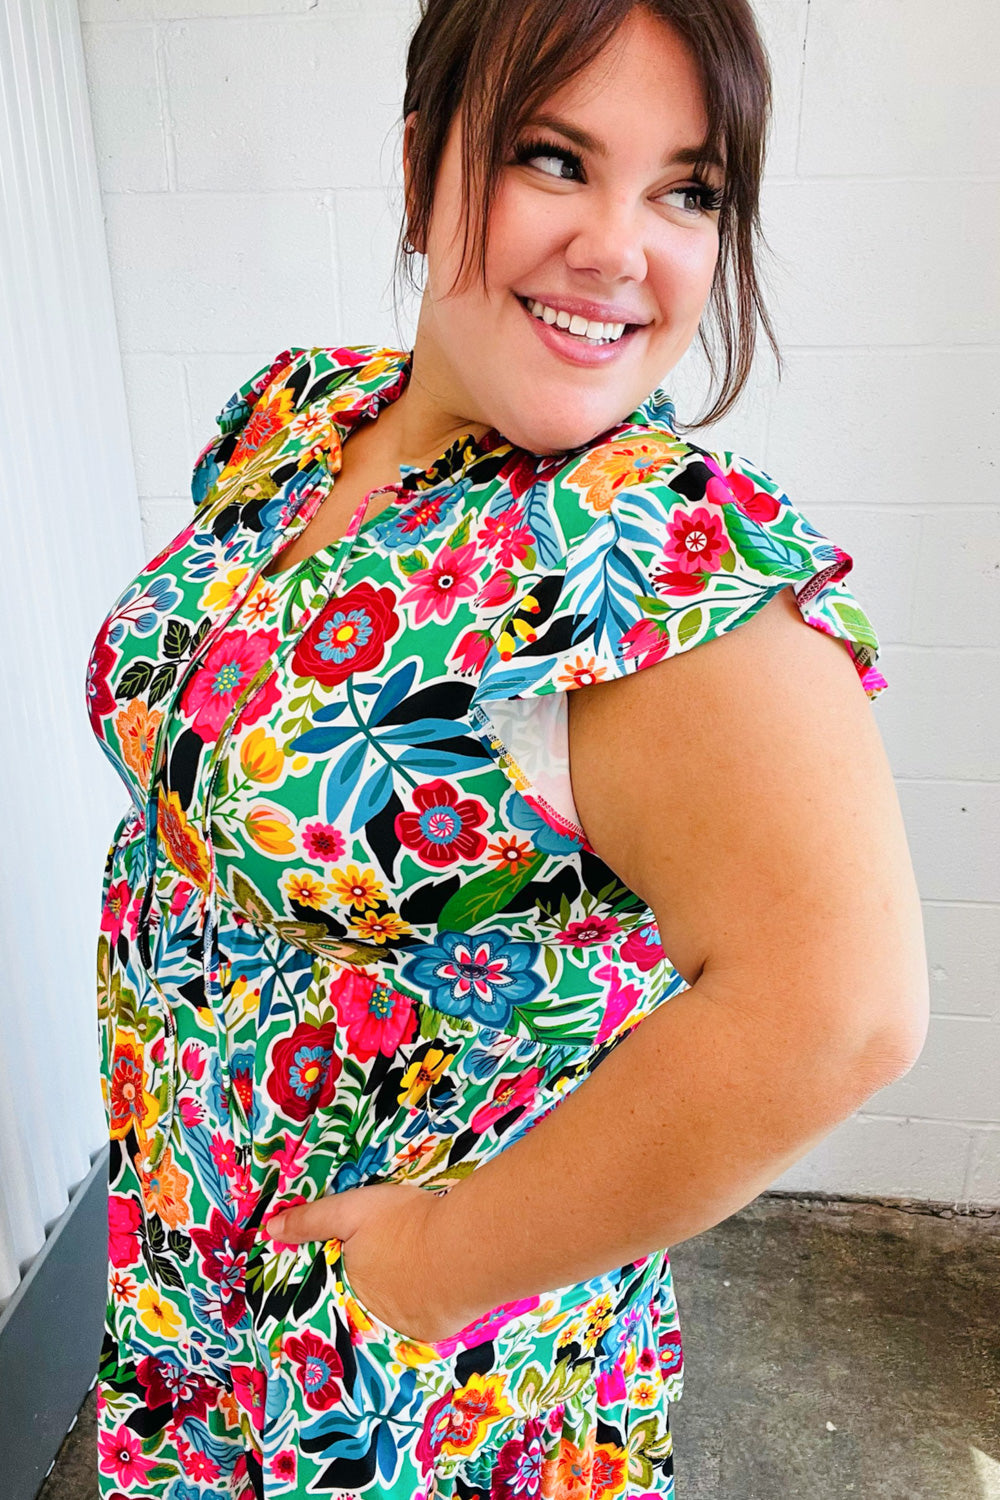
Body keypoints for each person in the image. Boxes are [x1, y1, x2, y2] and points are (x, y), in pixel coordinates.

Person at [86, 1, 928, 1496]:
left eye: (688, 189)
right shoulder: (302, 420)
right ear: (421, 171)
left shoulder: (654, 567)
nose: (623, 248)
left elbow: (841, 1011)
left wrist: (428, 1272)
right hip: (188, 1280)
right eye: (555, 159)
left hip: (405, 1386)